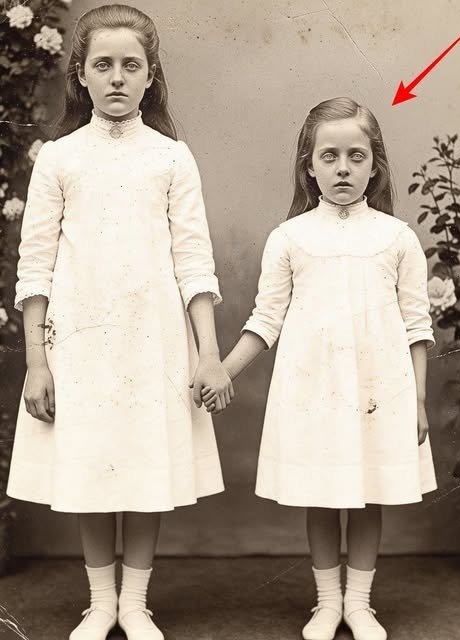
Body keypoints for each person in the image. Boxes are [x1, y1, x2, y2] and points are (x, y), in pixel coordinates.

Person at [7, 5, 233, 639]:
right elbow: (36, 267)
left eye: (131, 65)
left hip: (151, 340)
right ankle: (100, 602)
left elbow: (194, 261)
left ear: (150, 75)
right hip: (80, 341)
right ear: (80, 75)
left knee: (141, 465)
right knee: (92, 464)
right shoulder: (59, 159)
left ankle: (134, 603)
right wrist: (37, 362)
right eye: (102, 64)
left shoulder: (171, 158)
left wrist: (207, 354)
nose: (116, 77)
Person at [203, 97, 436, 640]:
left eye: (357, 156)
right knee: (324, 497)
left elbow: (416, 326)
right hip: (315, 391)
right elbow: (266, 320)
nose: (343, 168)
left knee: (368, 494)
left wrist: (419, 400)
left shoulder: (397, 238)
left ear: (375, 165)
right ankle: (328, 604)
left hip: (379, 391)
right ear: (308, 165)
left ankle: (360, 604)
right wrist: (222, 371)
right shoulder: (290, 238)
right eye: (329, 156)